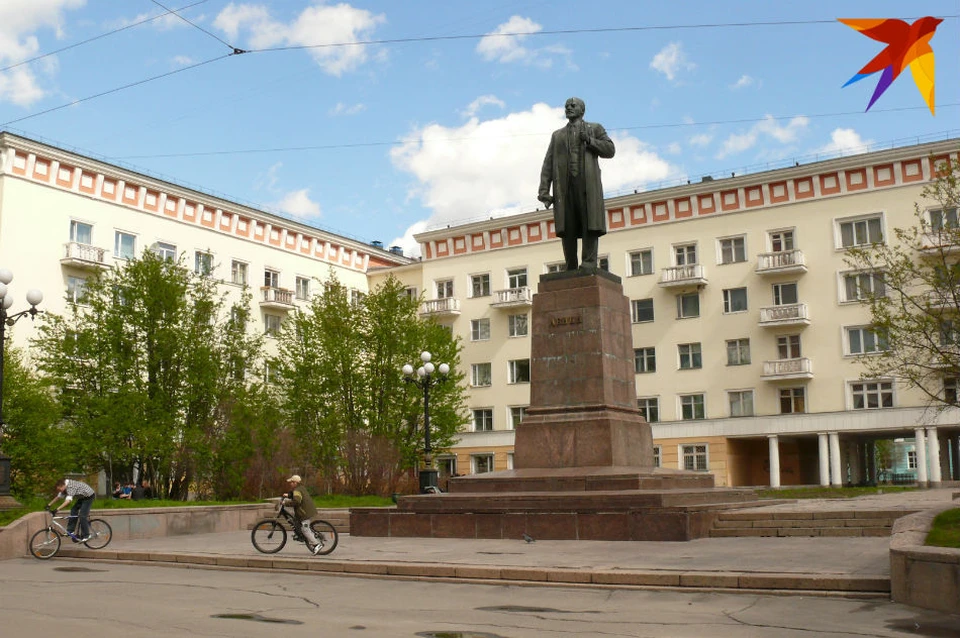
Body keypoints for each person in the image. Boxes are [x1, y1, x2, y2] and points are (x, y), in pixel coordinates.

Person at [538, 97, 616, 271]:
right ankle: (570, 265)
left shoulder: (594, 128)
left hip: (587, 186)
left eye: (573, 105)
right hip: (565, 188)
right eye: (566, 106)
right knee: (568, 226)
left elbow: (610, 150)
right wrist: (544, 191)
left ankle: (588, 262)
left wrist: (590, 141)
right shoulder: (557, 135)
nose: (569, 108)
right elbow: (548, 164)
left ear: (582, 110)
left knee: (589, 224)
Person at [282, 474, 322, 555]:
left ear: (295, 483)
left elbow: (297, 501)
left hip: (305, 513)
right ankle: (299, 535)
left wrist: (285, 503)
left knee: (305, 529)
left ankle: (317, 544)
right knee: (295, 520)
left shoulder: (297, 490)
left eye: (292, 482)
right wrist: (288, 495)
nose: (290, 484)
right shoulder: (300, 488)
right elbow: (295, 494)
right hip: (307, 510)